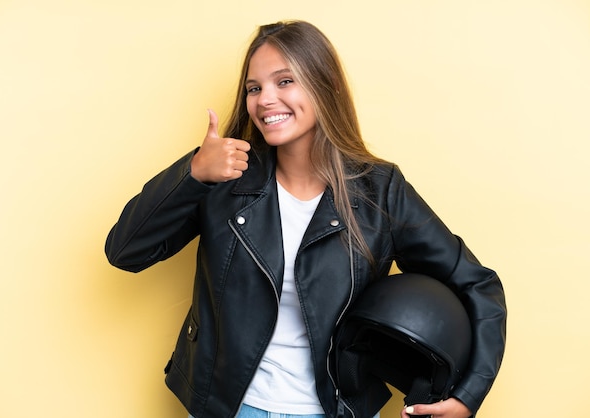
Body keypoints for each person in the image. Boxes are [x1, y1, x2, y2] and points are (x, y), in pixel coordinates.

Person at [105, 20, 506, 418]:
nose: (265, 100)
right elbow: (125, 252)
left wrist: (468, 394)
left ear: (326, 85)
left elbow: (477, 283)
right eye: (254, 88)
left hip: (334, 410)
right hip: (227, 408)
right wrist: (192, 173)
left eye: (284, 81)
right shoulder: (225, 176)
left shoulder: (379, 191)